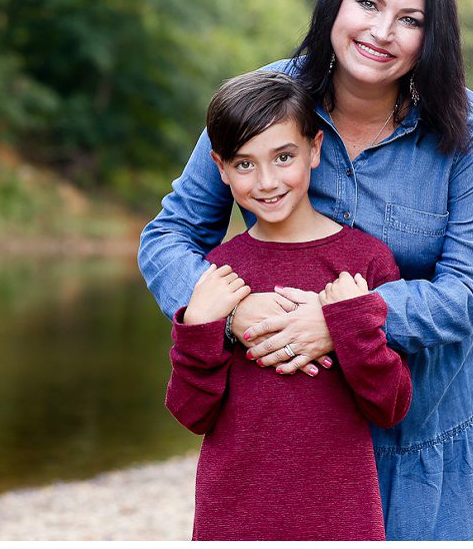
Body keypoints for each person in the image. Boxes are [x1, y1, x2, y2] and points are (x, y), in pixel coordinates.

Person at [140, 0, 473, 540]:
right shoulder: (270, 100)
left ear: (434, 35)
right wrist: (232, 311)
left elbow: (470, 293)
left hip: (430, 419)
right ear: (336, 5)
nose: (381, 31)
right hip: (298, 436)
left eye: (410, 18)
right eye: (367, 4)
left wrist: (343, 321)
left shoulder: (466, 126)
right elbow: (171, 235)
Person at [167, 70, 411, 541]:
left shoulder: (363, 262)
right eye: (244, 164)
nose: (267, 181)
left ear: (315, 149)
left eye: (284, 157)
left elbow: (391, 405)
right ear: (219, 167)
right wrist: (199, 325)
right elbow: (190, 414)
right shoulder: (220, 274)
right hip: (234, 516)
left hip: (342, 515)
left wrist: (353, 324)